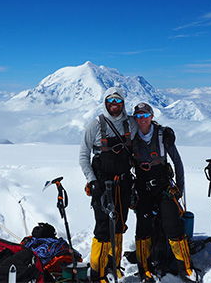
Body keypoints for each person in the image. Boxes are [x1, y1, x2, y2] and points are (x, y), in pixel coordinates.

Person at [131, 102, 199, 283]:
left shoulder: (162, 135)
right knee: (143, 228)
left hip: (164, 188)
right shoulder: (131, 138)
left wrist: (179, 189)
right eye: (138, 116)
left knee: (173, 226)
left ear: (152, 116)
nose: (142, 119)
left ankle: (186, 268)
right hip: (142, 188)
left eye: (145, 115)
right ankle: (144, 269)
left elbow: (177, 162)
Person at [79, 87, 138, 282]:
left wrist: (165, 133)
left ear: (123, 103)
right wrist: (92, 181)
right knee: (103, 227)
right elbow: (83, 156)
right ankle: (97, 272)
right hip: (102, 185)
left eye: (118, 101)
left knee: (120, 225)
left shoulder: (130, 123)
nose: (114, 104)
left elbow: (148, 127)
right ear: (105, 103)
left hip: (123, 184)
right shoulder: (94, 126)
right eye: (111, 101)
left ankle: (114, 266)